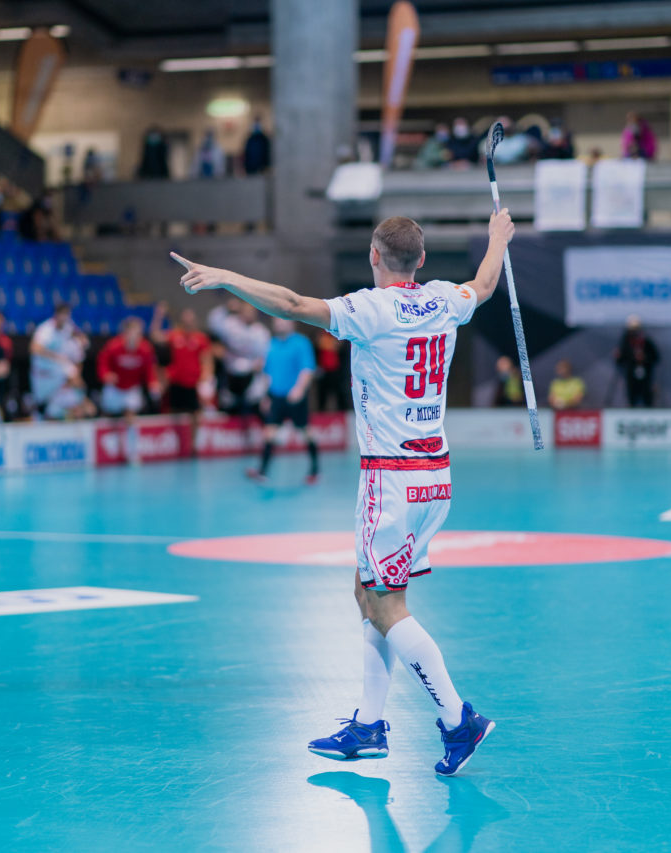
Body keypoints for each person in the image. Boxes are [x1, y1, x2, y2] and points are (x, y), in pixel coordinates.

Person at [170, 209, 514, 777]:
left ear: (375, 257)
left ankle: (459, 720)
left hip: (391, 476)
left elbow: (293, 304)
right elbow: (483, 284)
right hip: (435, 475)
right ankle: (370, 726)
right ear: (421, 260)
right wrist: (497, 239)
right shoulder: (445, 300)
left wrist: (227, 277)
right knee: (367, 589)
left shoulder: (369, 310)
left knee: (386, 604)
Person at [246, 318, 318, 484]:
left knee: (306, 432)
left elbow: (307, 369)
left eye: (282, 320)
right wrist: (266, 396)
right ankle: (262, 471)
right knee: (269, 433)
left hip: (295, 396)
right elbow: (267, 373)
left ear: (292, 322)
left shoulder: (301, 343)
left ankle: (314, 470)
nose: (279, 323)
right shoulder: (271, 344)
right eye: (276, 320)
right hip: (276, 397)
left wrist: (299, 389)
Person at [97, 316, 160, 464]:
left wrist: (153, 383)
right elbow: (103, 363)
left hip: (132, 389)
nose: (136, 336)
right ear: (125, 333)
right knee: (106, 414)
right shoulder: (113, 346)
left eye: (138, 333)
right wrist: (105, 375)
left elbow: (149, 370)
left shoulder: (145, 349)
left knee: (131, 416)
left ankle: (132, 453)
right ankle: (102, 451)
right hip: (114, 388)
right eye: (132, 332)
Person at [154, 307, 213, 448]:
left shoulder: (201, 338)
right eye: (185, 319)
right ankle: (170, 443)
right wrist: (158, 316)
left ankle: (194, 444)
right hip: (176, 381)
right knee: (172, 412)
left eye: (190, 319)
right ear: (181, 321)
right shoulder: (174, 335)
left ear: (194, 322)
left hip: (192, 383)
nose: (188, 322)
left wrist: (207, 375)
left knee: (196, 414)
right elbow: (155, 336)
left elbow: (207, 359)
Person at [207, 299, 270, 416]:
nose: (249, 314)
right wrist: (226, 308)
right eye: (246, 311)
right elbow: (213, 322)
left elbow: (264, 358)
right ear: (241, 311)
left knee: (251, 409)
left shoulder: (261, 332)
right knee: (228, 410)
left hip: (250, 377)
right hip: (229, 376)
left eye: (252, 311)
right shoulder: (230, 324)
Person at [30, 303, 91, 420]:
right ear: (56, 315)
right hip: (43, 373)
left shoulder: (69, 326)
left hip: (58, 369)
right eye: (62, 315)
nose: (65, 318)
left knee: (77, 382)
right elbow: (34, 348)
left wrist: (82, 339)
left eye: (67, 315)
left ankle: (82, 403)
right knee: (42, 404)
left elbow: (79, 336)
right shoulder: (45, 329)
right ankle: (42, 415)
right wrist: (56, 356)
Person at [615, 315, 659, 407]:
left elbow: (656, 358)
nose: (634, 332)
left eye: (636, 329)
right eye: (632, 329)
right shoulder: (626, 343)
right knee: (632, 399)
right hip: (631, 377)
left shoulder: (646, 342)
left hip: (646, 377)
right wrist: (619, 356)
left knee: (647, 398)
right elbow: (620, 360)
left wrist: (645, 358)